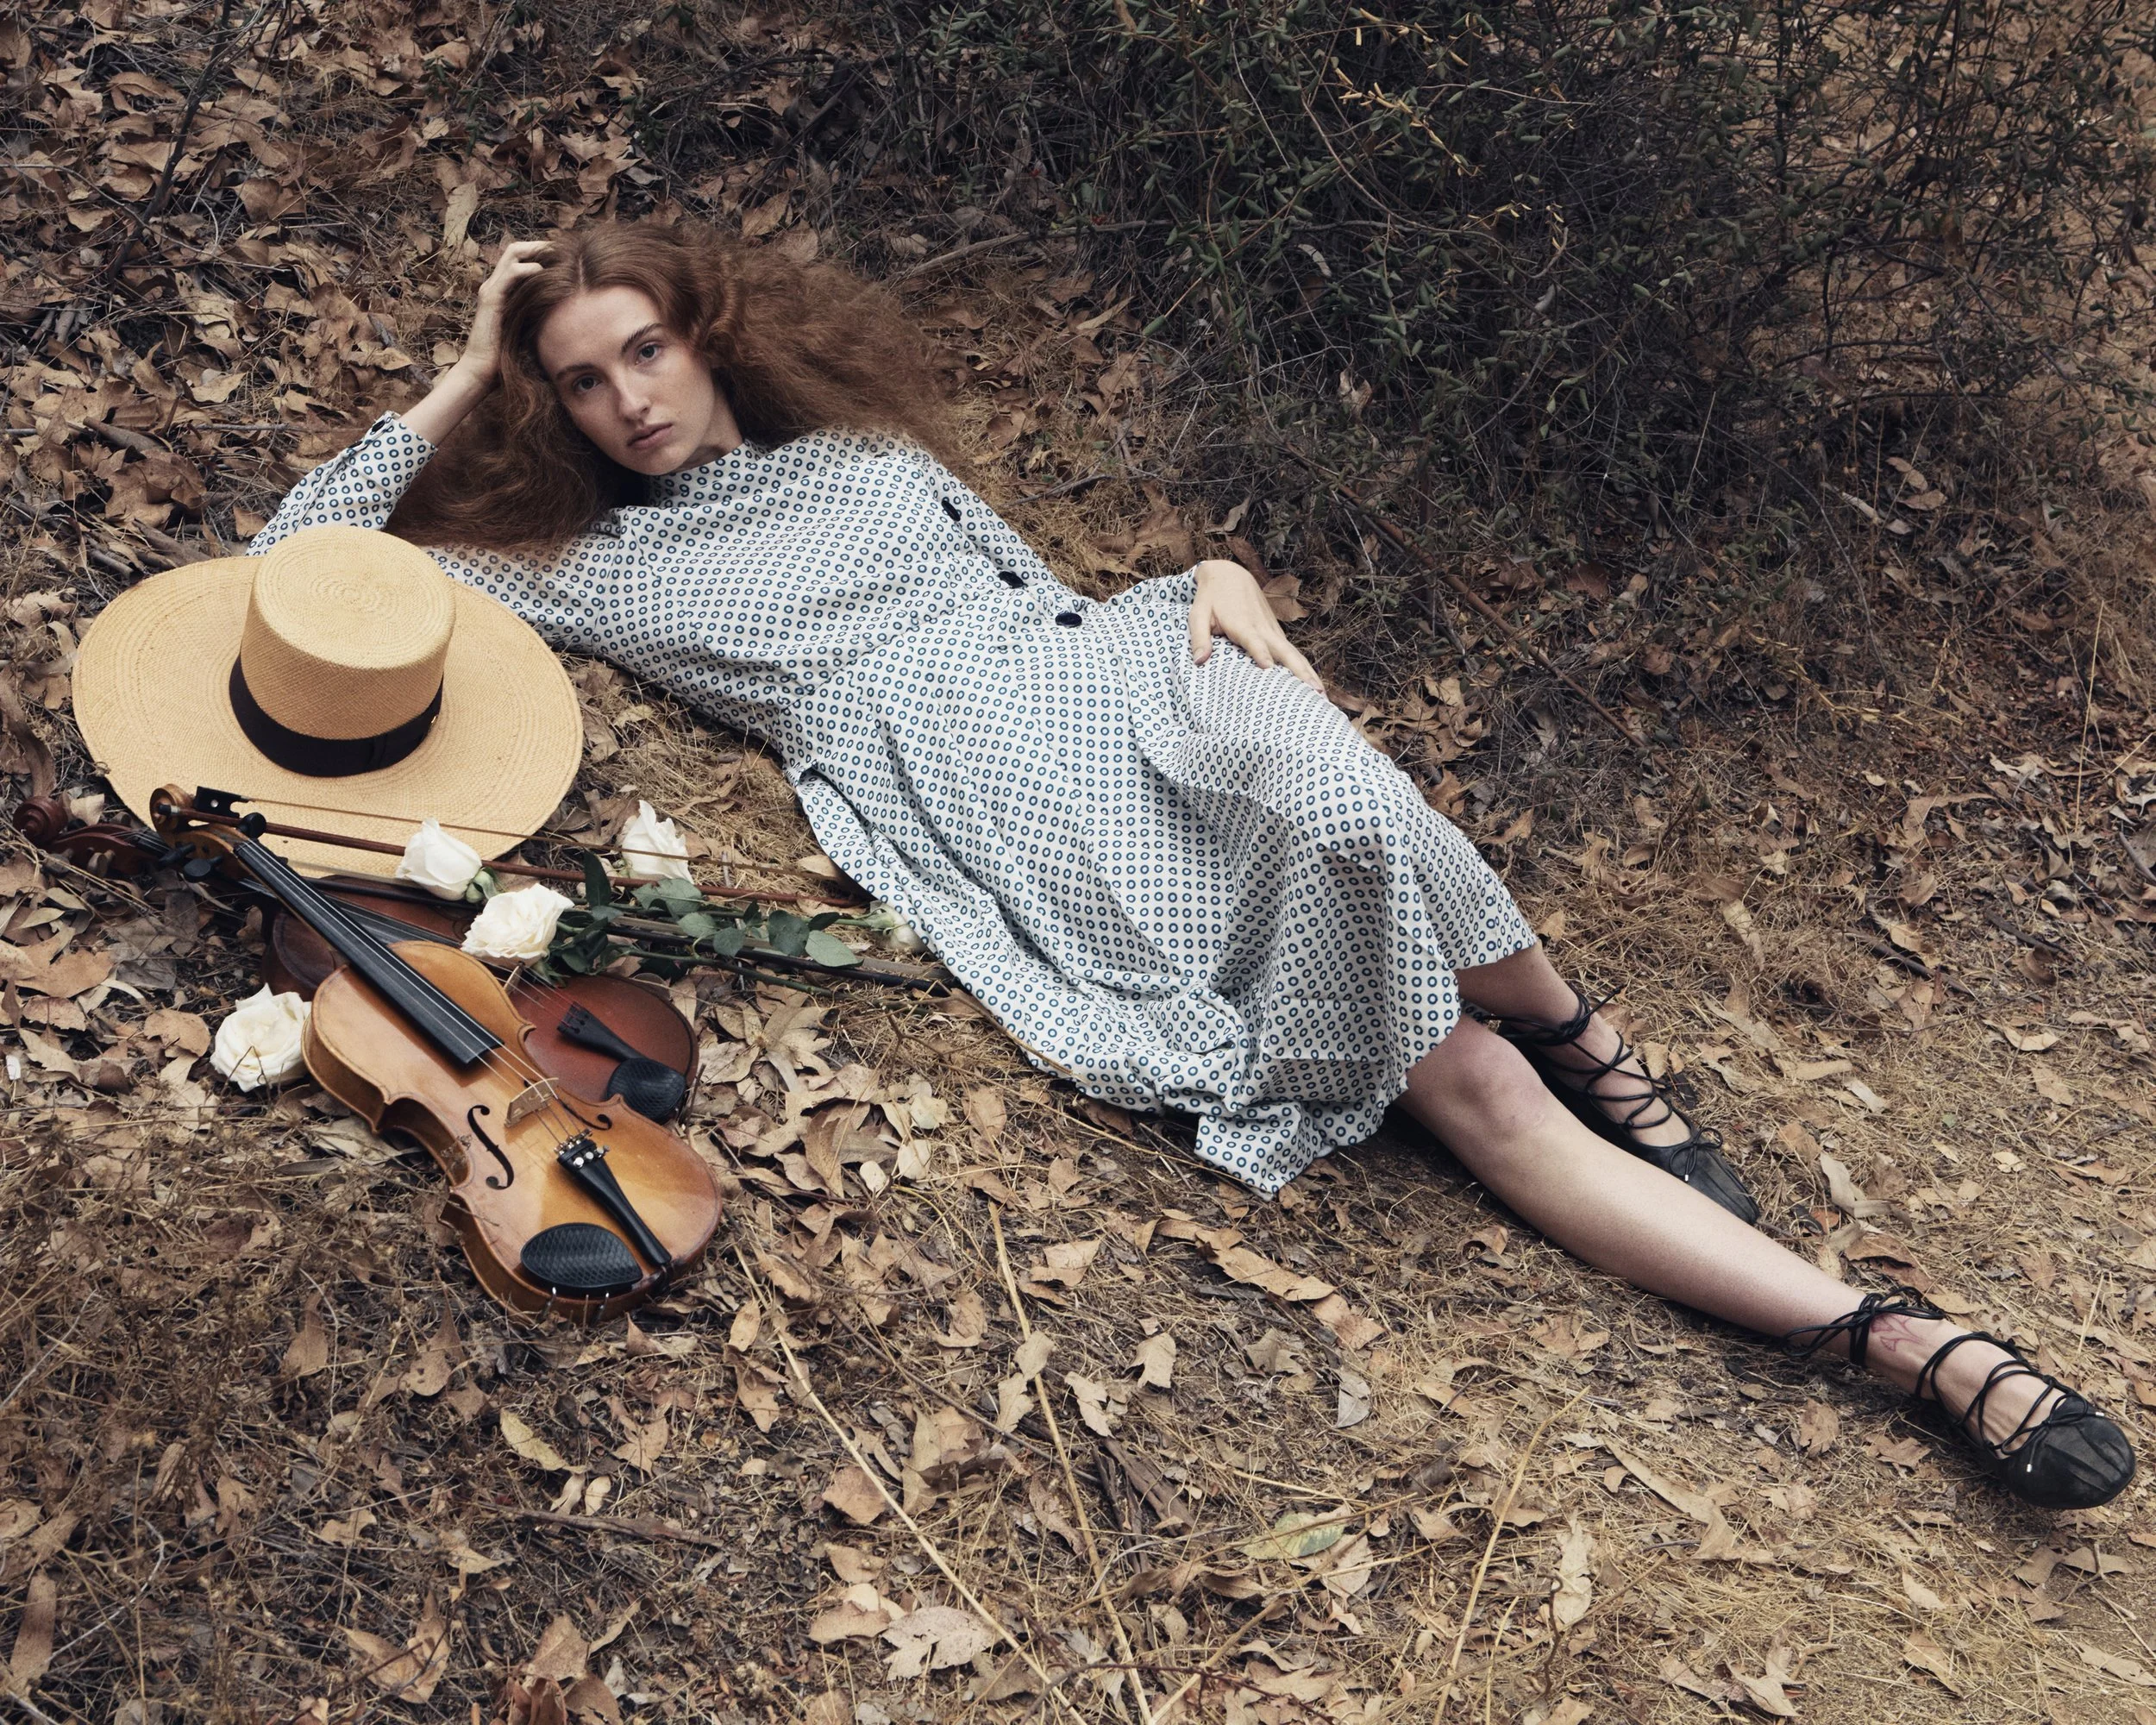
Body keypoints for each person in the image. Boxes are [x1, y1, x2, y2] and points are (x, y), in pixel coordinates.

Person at [250, 221, 2133, 1509]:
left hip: (1115, 675)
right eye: (577, 381)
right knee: (1449, 1069)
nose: (624, 402)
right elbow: (300, 548)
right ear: (554, 405)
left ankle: (1592, 1033)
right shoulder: (602, 562)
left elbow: (1042, 590)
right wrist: (457, 367)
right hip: (1008, 793)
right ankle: (1892, 1334)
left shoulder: (870, 458)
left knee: (1340, 793)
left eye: (638, 351)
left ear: (699, 335)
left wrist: (1214, 577)